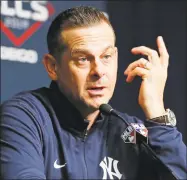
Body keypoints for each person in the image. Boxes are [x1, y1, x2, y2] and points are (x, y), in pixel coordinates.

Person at [0, 6, 186, 180]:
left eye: (106, 57)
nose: (98, 71)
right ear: (53, 67)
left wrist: (156, 112)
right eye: (83, 59)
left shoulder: (129, 130)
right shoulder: (23, 117)